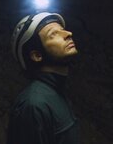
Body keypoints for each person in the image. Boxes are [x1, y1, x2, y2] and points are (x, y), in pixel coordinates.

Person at [7, 12, 80, 144]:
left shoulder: (55, 92)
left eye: (62, 30)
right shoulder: (34, 105)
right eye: (53, 34)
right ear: (37, 55)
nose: (68, 33)